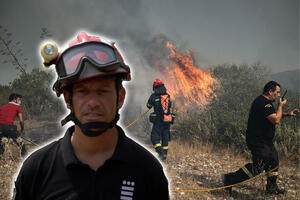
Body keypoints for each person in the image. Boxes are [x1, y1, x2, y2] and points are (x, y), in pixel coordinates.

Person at [14, 32, 170, 200]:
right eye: (83, 92)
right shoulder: (37, 170)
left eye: (103, 91)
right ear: (68, 99)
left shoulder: (148, 170)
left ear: (120, 97)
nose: (93, 102)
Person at [222, 81, 300, 195]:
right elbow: (276, 120)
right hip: (258, 140)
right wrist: (280, 106)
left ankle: (271, 188)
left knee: (273, 160)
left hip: (265, 141)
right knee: (259, 166)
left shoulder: (265, 103)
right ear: (270, 91)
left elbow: (272, 116)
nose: (279, 95)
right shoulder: (263, 103)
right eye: (277, 92)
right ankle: (229, 179)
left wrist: (288, 113)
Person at [147, 78, 173, 161]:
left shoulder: (154, 96)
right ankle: (164, 155)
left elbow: (148, 105)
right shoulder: (167, 96)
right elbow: (170, 106)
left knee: (154, 138)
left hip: (158, 121)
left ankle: (160, 153)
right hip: (167, 120)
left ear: (155, 87)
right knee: (165, 137)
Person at [0, 93, 26, 157]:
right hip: (10, 128)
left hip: (0, 127)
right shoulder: (17, 107)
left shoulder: (3, 107)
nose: (20, 101)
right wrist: (22, 129)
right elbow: (21, 120)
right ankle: (25, 157)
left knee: (1, 144)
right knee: (21, 143)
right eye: (19, 99)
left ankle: (1, 160)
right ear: (14, 100)